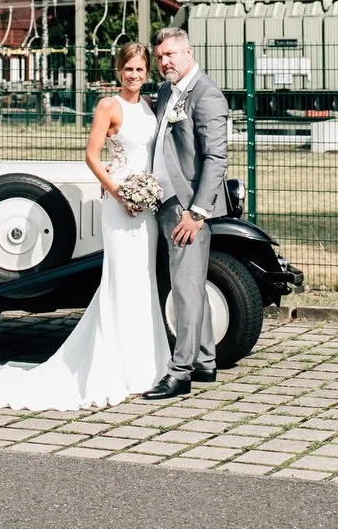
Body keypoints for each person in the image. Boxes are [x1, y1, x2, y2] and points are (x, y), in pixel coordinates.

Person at [0, 42, 170, 411]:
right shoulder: (109, 106)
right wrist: (120, 192)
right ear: (118, 71)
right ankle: (117, 367)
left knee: (143, 280)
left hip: (147, 205)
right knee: (121, 280)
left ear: (147, 72)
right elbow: (92, 156)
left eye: (140, 70)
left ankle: (147, 365)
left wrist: (147, 193)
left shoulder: (148, 105)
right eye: (129, 69)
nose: (134, 75)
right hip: (120, 200)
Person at [141, 25, 229, 400]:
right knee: (190, 285)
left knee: (185, 290)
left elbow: (216, 157)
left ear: (188, 52)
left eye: (170, 55)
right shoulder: (166, 91)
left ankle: (180, 373)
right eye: (159, 57)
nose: (163, 62)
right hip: (166, 202)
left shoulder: (206, 94)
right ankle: (205, 361)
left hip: (188, 209)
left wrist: (196, 213)